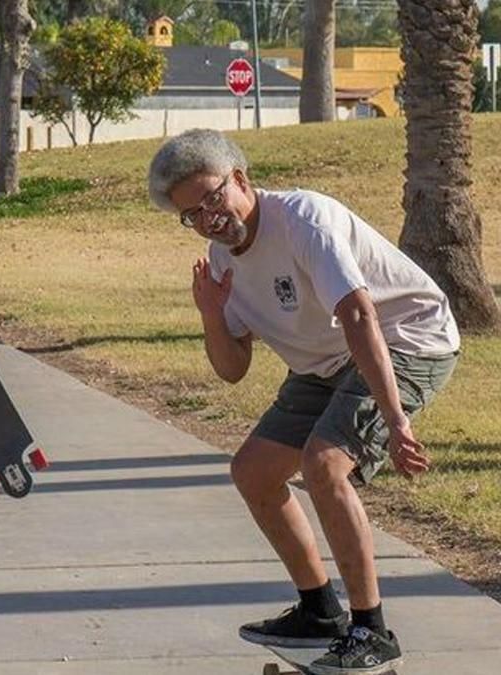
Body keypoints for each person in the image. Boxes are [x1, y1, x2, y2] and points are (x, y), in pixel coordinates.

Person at [148, 129, 459, 675]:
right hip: (325, 363)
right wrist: (211, 314)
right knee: (252, 472)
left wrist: (394, 417)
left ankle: (372, 631)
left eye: (213, 198)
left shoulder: (305, 220)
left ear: (240, 179)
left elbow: (362, 316)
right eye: (192, 214)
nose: (209, 218)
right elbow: (232, 371)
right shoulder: (219, 261)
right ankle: (319, 612)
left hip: (407, 339)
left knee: (325, 464)